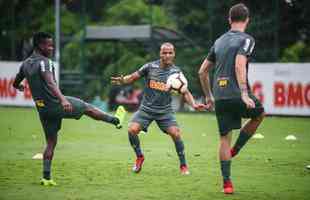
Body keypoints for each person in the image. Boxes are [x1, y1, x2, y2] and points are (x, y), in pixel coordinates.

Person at [13, 32, 127, 186]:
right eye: (49, 45)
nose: (52, 48)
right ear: (40, 45)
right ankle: (116, 120)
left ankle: (46, 178)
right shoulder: (45, 62)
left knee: (51, 142)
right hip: (55, 104)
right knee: (87, 108)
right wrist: (63, 100)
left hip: (42, 109)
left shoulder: (26, 63)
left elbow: (16, 82)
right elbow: (51, 83)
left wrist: (18, 86)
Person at [198, 3, 265, 194]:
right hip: (237, 93)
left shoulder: (219, 41)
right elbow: (239, 64)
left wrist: (209, 96)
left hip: (219, 95)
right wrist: (244, 92)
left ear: (229, 20)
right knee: (259, 114)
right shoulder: (247, 39)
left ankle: (227, 184)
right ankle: (236, 150)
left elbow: (202, 72)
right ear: (247, 20)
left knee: (223, 139)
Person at [111, 42, 206, 175]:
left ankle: (183, 165)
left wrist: (194, 104)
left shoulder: (176, 72)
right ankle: (139, 157)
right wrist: (123, 80)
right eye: (164, 52)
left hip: (165, 111)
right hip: (146, 109)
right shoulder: (150, 67)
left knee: (176, 134)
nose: (167, 55)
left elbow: (185, 91)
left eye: (170, 53)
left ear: (174, 54)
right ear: (160, 54)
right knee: (132, 130)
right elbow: (132, 77)